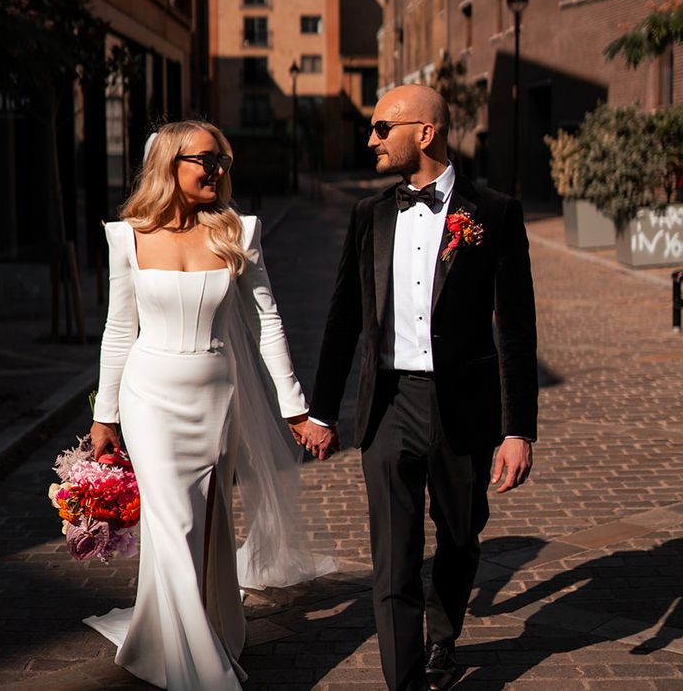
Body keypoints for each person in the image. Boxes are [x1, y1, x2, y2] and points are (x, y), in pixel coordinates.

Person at [302, 85, 538, 691]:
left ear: (425, 133)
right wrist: (322, 411)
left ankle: (444, 633)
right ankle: (403, 679)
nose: (372, 138)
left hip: (465, 405)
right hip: (388, 406)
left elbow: (515, 328)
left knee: (460, 538)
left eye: (383, 128)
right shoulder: (369, 215)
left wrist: (518, 430)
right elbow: (342, 319)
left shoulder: (495, 213)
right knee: (393, 556)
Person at [85, 120, 334, 690]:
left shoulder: (238, 232)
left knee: (203, 525)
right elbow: (119, 329)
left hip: (216, 399)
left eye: (224, 159)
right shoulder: (127, 237)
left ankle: (187, 626)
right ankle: (202, 673)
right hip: (150, 398)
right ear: (171, 163)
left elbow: (267, 322)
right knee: (172, 522)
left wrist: (294, 406)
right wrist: (106, 413)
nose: (218, 170)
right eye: (206, 159)